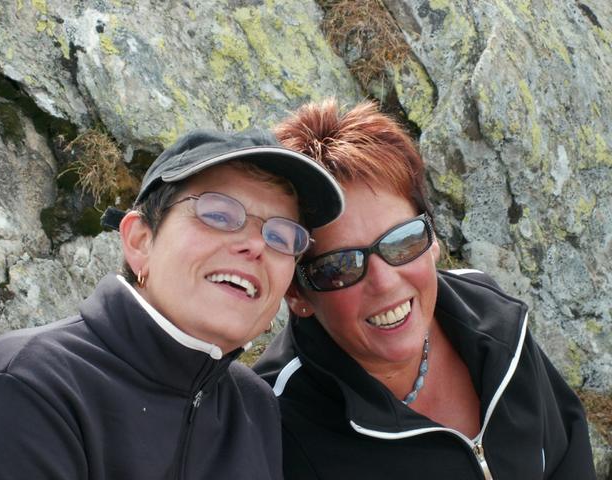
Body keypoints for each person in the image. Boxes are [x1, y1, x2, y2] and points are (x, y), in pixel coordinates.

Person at [0, 128, 344, 479]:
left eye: (282, 237)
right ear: (140, 241)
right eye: (219, 215)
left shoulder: (253, 406)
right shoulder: (29, 386)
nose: (257, 245)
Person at [254, 100, 596, 479]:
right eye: (340, 266)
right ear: (297, 294)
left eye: (403, 240)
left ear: (432, 237)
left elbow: (567, 454)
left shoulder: (494, 320)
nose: (385, 281)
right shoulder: (277, 426)